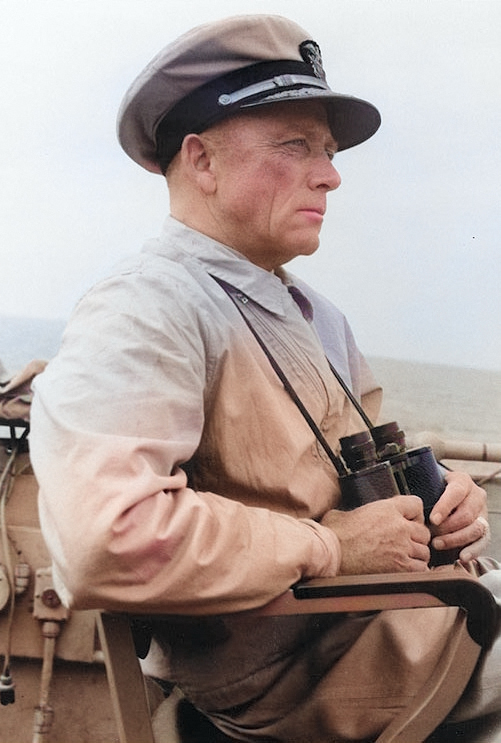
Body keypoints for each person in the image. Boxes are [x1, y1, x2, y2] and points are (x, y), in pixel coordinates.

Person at [29, 14, 501, 742]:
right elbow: (106, 536)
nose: (331, 174)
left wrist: (443, 513)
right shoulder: (146, 306)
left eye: (329, 151)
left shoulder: (315, 315)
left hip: (398, 620)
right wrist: (330, 547)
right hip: (304, 679)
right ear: (202, 161)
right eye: (296, 145)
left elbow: (360, 482)